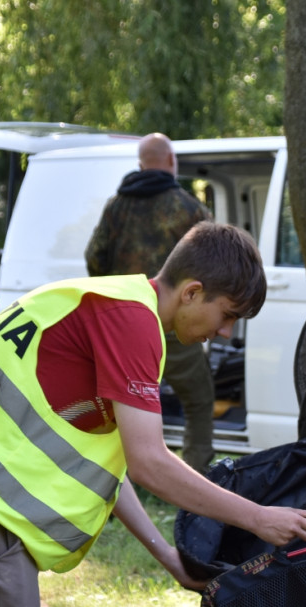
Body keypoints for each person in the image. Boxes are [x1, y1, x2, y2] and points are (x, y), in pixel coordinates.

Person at [0, 221, 306, 607]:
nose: (227, 332)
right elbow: (150, 463)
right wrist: (257, 517)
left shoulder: (120, 304)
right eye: (228, 314)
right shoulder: (132, 323)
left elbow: (110, 466)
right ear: (193, 292)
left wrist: (169, 559)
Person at [86, 132, 217, 473]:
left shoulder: (117, 207)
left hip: (124, 326)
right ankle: (196, 482)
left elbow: (94, 256)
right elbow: (214, 265)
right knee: (199, 402)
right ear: (171, 162)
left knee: (116, 407)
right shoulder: (188, 208)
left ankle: (110, 480)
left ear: (141, 165)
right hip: (176, 328)